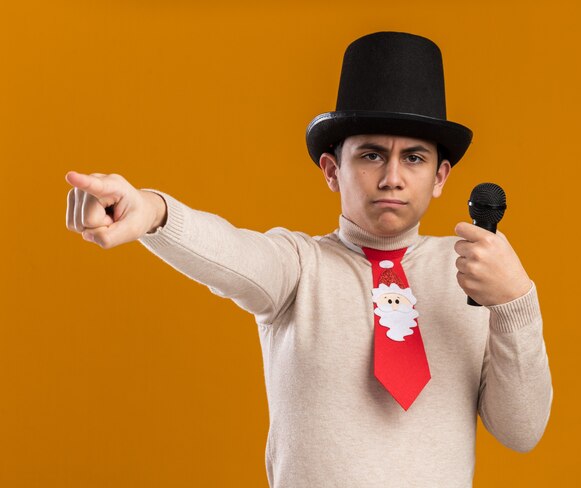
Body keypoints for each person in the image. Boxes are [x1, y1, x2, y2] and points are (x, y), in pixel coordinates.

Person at [65, 32, 553, 487]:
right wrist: (152, 210)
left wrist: (515, 303)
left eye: (414, 158)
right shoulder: (298, 266)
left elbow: (520, 432)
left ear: (441, 177)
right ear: (331, 169)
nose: (392, 178)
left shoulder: (474, 273)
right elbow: (230, 249)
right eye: (370, 155)